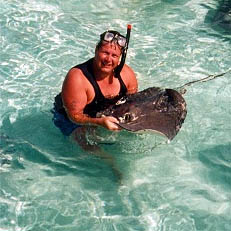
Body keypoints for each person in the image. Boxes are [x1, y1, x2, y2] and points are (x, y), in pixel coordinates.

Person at [52, 29, 138, 136]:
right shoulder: (77, 78)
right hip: (69, 118)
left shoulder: (127, 74)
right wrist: (99, 122)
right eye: (105, 53)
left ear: (120, 57)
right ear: (96, 50)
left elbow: (133, 102)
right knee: (87, 144)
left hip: (102, 114)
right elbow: (74, 116)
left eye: (114, 56)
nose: (108, 59)